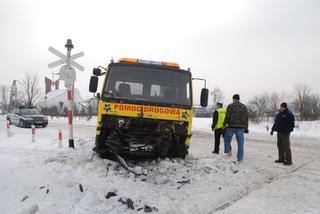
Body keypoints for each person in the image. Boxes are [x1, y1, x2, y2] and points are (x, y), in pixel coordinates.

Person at [223, 94, 249, 163]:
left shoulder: (230, 106)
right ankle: (240, 159)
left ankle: (228, 152)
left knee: (226, 140)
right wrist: (246, 127)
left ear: (234, 99)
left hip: (231, 126)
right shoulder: (244, 107)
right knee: (240, 144)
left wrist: (224, 124)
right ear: (239, 99)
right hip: (240, 128)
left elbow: (227, 116)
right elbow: (246, 118)